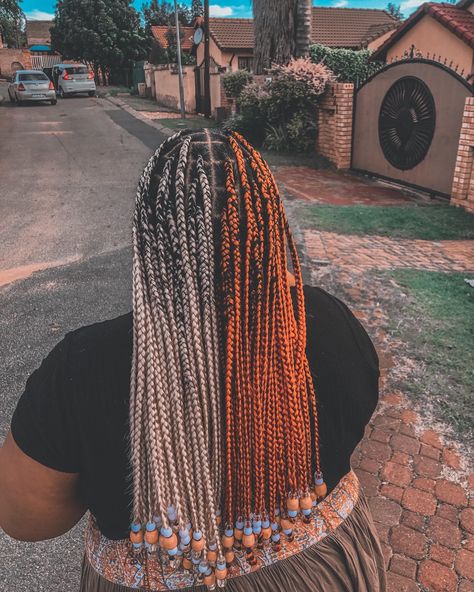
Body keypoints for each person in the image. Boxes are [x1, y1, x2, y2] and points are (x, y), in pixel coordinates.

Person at [0, 130, 386, 591]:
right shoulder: (325, 320)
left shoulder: (82, 369)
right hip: (323, 573)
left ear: (150, 233)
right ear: (266, 222)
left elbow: (26, 519)